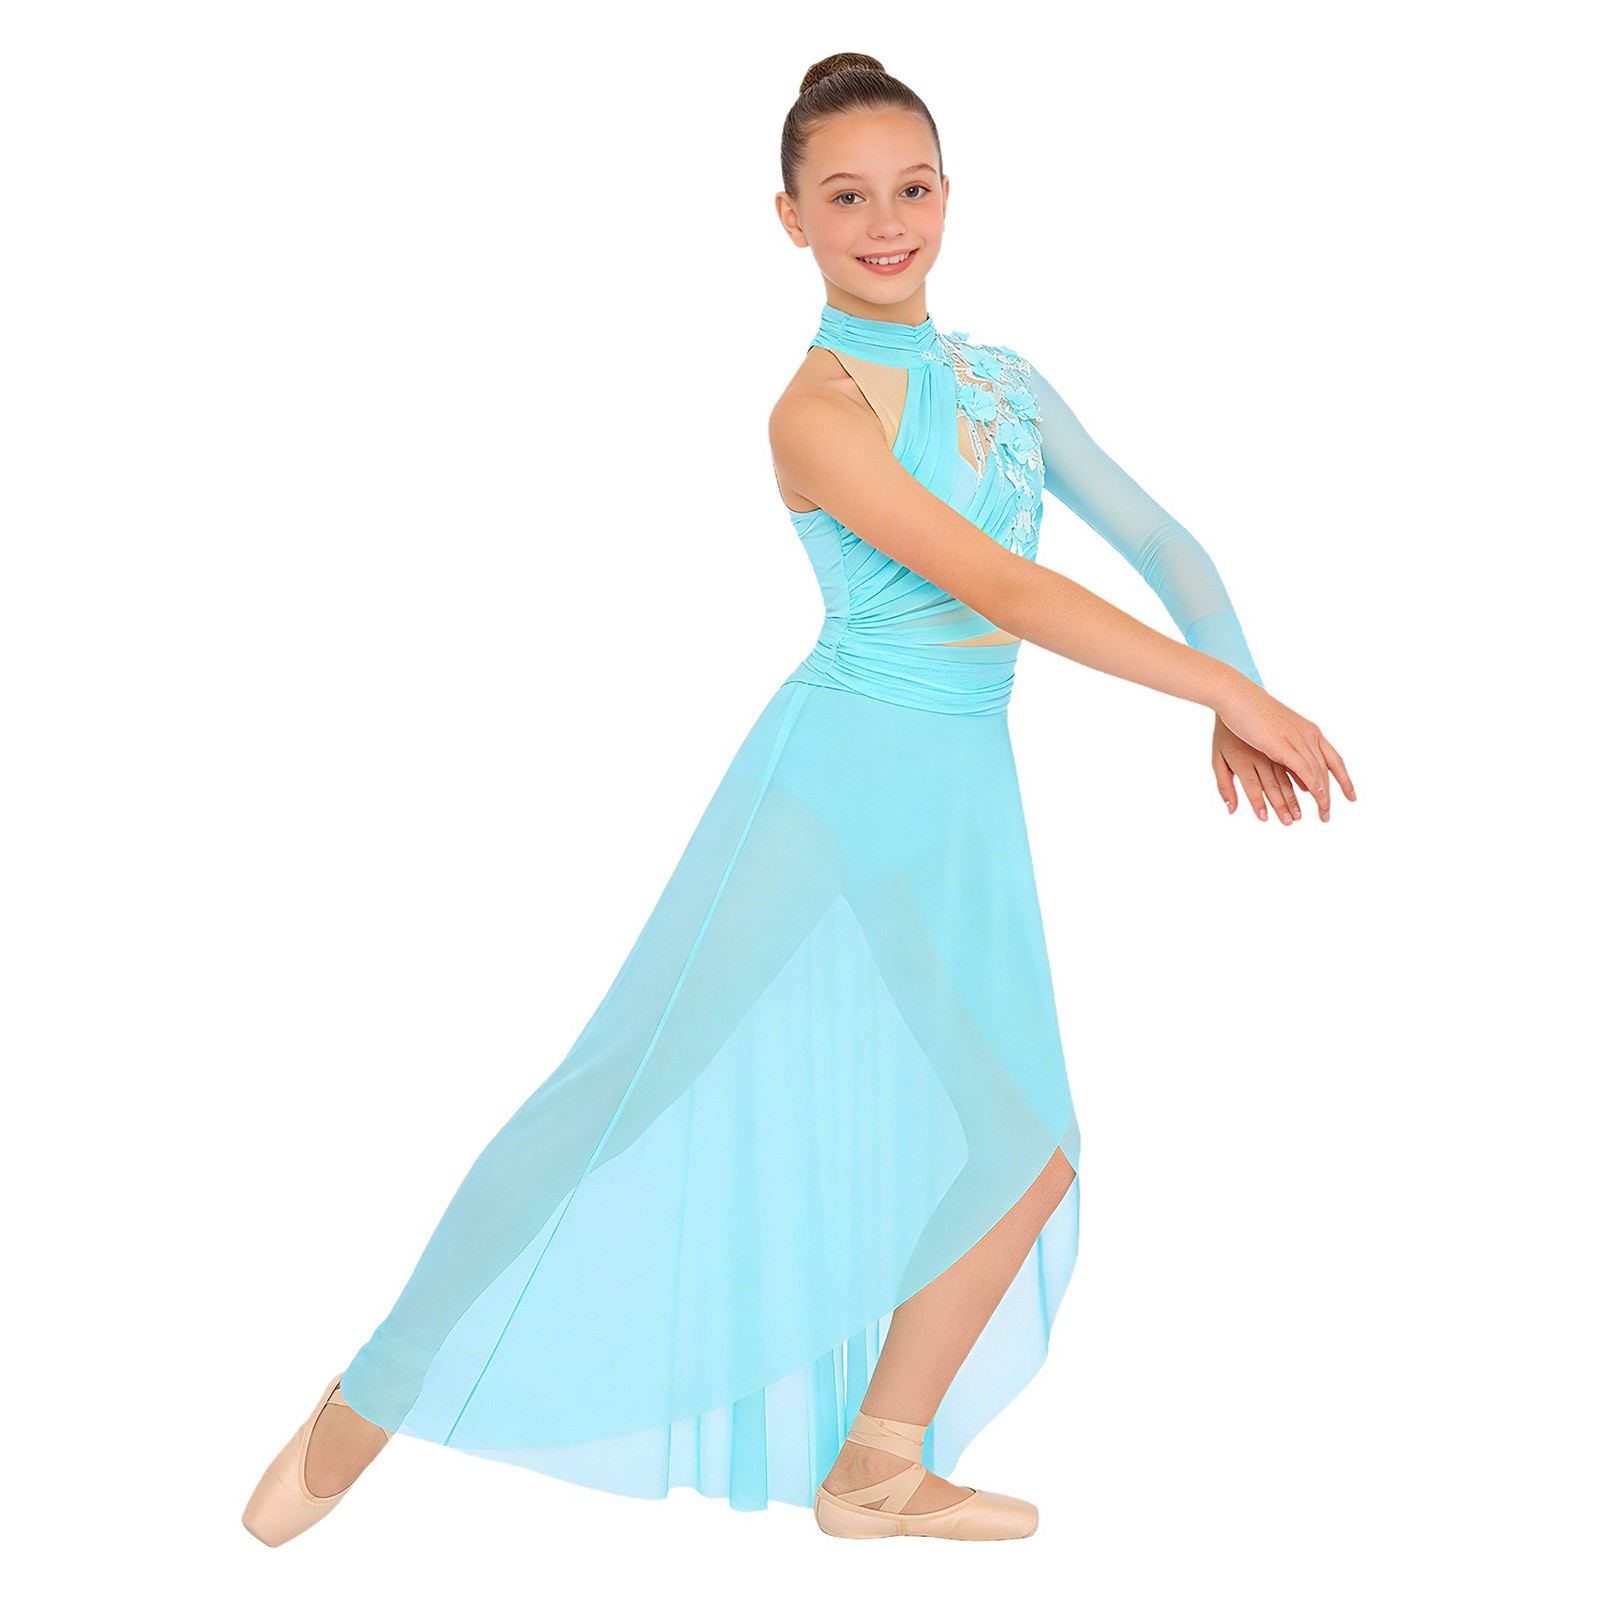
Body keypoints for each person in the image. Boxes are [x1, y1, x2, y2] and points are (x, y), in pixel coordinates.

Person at [243, 50, 1354, 1548]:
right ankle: (371, 1395)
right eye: (846, 197)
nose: (885, 223)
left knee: (1027, 1148)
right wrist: (1225, 694)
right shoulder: (815, 413)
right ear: (791, 218)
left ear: (949, 195)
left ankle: (877, 1466)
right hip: (828, 783)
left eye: (912, 188)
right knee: (617, 1092)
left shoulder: (1005, 382)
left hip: (959, 795)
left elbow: (1164, 539)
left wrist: (1236, 675)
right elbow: (1006, 588)